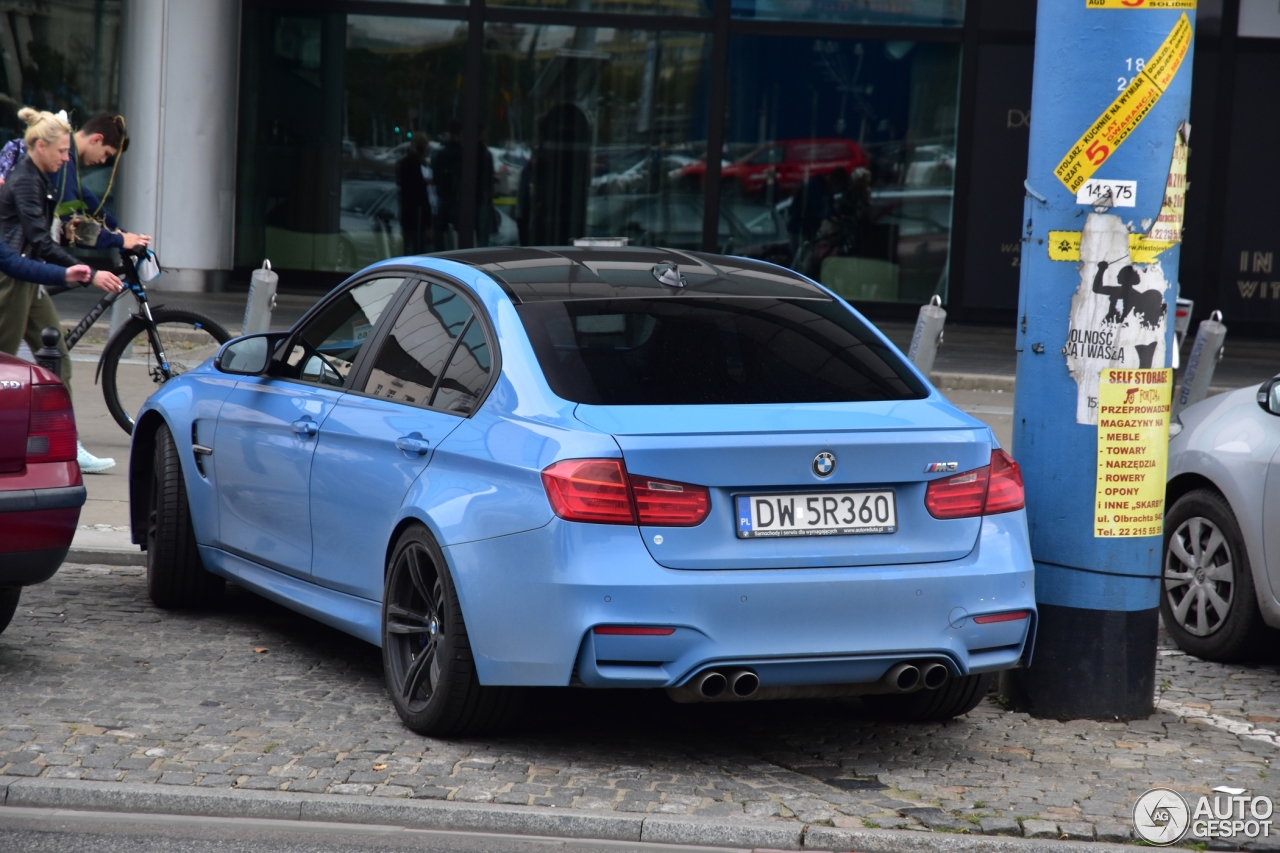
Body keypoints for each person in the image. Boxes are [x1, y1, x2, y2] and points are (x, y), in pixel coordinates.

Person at [0, 108, 125, 473]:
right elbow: (38, 240)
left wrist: (114, 235)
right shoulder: (26, 181)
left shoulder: (44, 178)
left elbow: (76, 208)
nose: (67, 159)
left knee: (58, 359)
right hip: (12, 281)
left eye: (69, 152)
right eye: (61, 152)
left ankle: (66, 444)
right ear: (40, 146)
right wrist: (81, 272)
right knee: (5, 365)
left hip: (27, 278)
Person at [395, 132, 432, 255]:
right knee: (418, 248)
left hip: (407, 211)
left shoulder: (404, 163)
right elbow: (420, 192)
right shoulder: (418, 164)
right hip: (417, 214)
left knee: (406, 247)